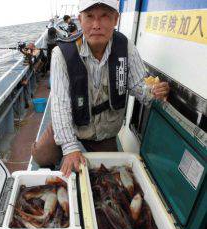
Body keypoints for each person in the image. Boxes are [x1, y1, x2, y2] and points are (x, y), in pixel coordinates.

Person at [31, 0, 170, 177]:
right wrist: (70, 148)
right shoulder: (61, 54)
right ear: (80, 19)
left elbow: (139, 88)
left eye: (105, 16)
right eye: (89, 16)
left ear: (116, 19)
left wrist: (153, 92)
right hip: (73, 122)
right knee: (41, 156)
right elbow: (60, 105)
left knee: (112, 175)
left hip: (104, 132)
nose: (96, 25)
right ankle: (60, 146)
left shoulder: (126, 48)